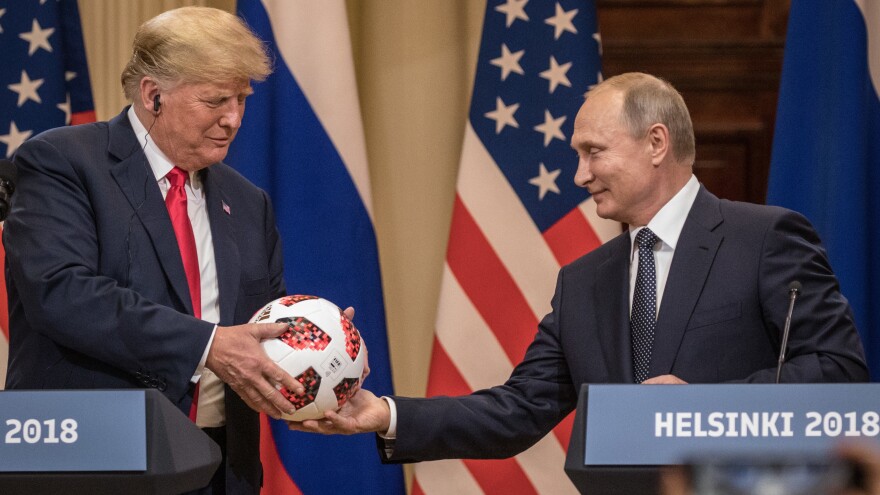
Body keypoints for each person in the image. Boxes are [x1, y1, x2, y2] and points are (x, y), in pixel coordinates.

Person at [291, 72, 869, 464]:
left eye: (593, 152)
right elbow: (519, 409)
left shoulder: (764, 238)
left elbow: (839, 372)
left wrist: (704, 407)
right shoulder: (585, 280)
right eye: (577, 156)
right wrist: (384, 414)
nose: (579, 175)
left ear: (656, 143)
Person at [3, 7, 302, 494]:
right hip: (94, 461)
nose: (233, 118)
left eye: (241, 99)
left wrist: (316, 345)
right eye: (215, 100)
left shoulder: (249, 203)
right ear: (152, 94)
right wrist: (208, 344)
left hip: (220, 470)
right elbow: (62, 293)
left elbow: (260, 325)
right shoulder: (63, 162)